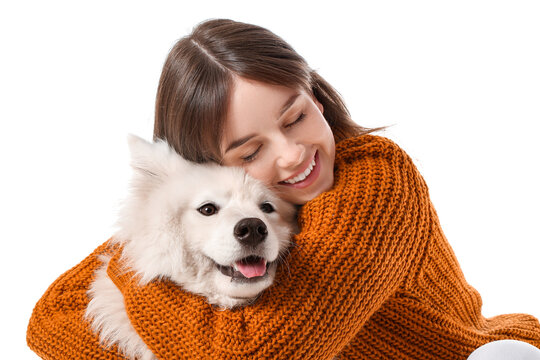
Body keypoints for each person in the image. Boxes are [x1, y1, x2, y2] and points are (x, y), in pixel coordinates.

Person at [27, 19, 540, 360]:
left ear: (315, 96)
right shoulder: (219, 211)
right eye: (250, 153)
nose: (292, 154)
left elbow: (260, 353)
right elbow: (50, 318)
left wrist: (143, 287)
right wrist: (149, 237)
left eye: (295, 118)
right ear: (206, 165)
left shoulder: (377, 182)